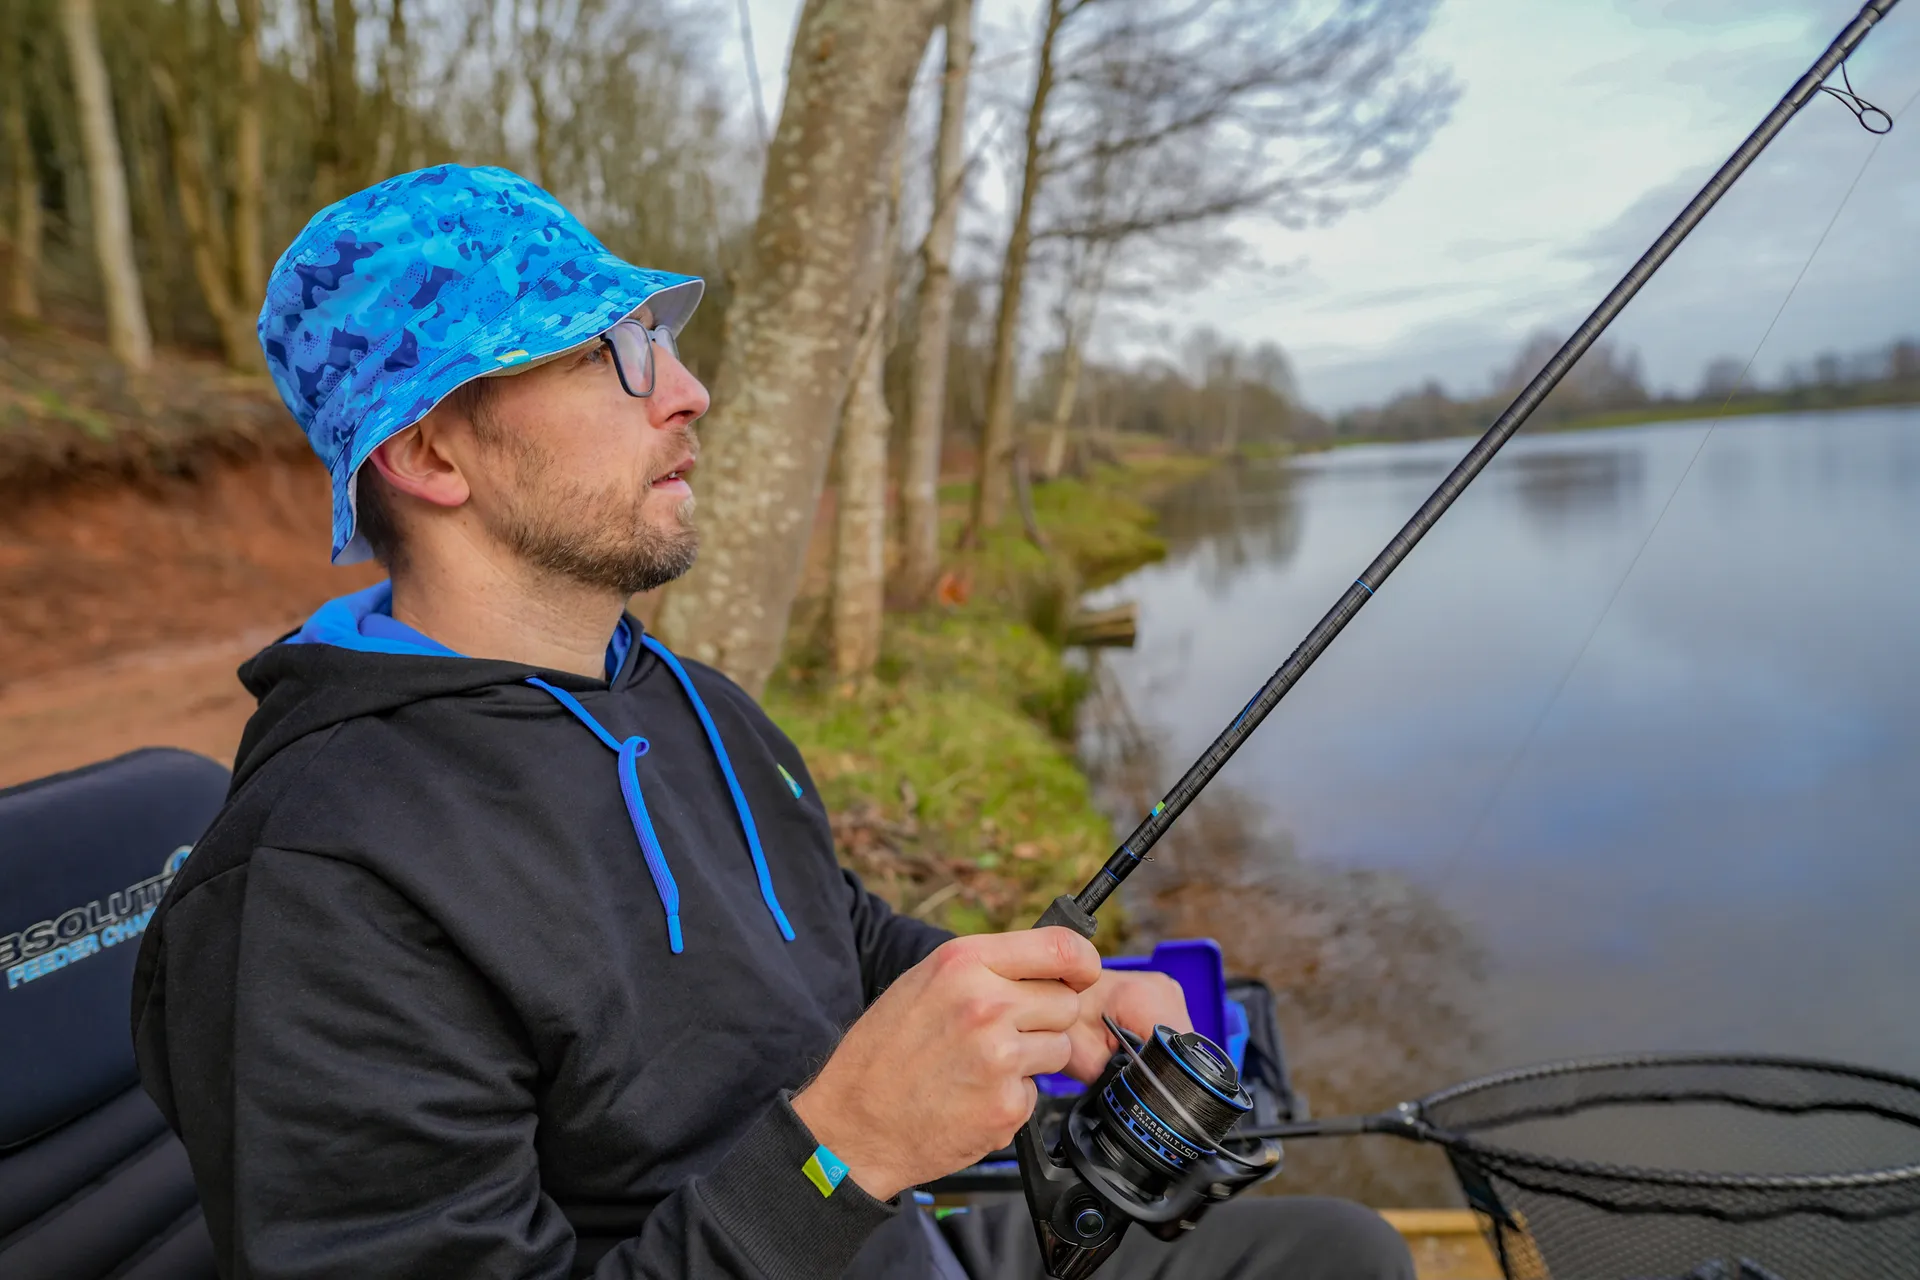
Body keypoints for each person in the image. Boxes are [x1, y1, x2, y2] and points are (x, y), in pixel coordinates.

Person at [132, 164, 1412, 1280]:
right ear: (431, 457)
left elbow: (834, 933)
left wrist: (1053, 1002)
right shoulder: (313, 890)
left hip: (887, 1242)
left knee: (1340, 1252)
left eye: (662, 339)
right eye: (609, 352)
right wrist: (843, 1152)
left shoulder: (676, 696)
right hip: (825, 1227)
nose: (686, 389)